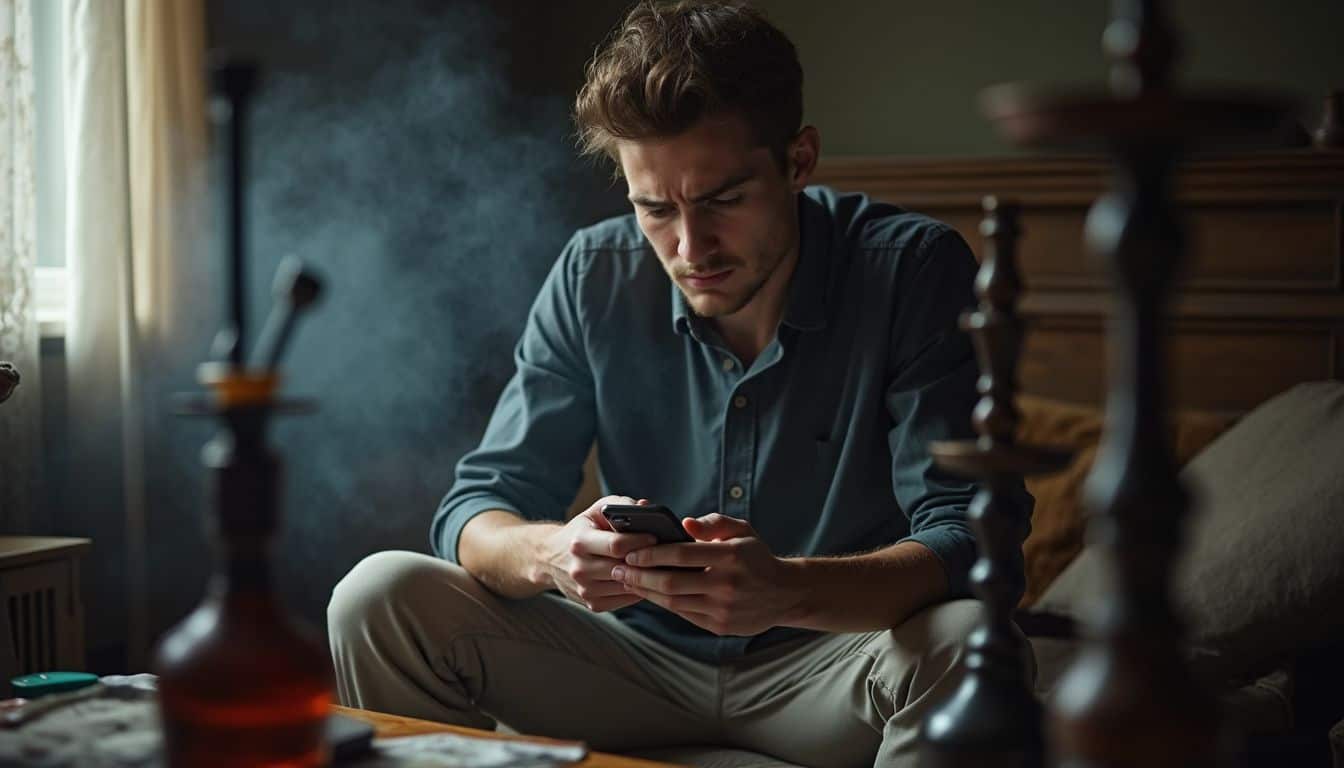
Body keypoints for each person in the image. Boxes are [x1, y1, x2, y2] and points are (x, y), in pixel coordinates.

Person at [328, 2, 1032, 765]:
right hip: (630, 668)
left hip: (834, 665)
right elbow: (477, 508)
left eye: (723, 199)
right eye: (654, 208)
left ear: (798, 160)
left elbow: (971, 538)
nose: (690, 247)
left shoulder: (913, 270)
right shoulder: (591, 274)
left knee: (971, 644)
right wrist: (555, 551)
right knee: (379, 595)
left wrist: (787, 590)